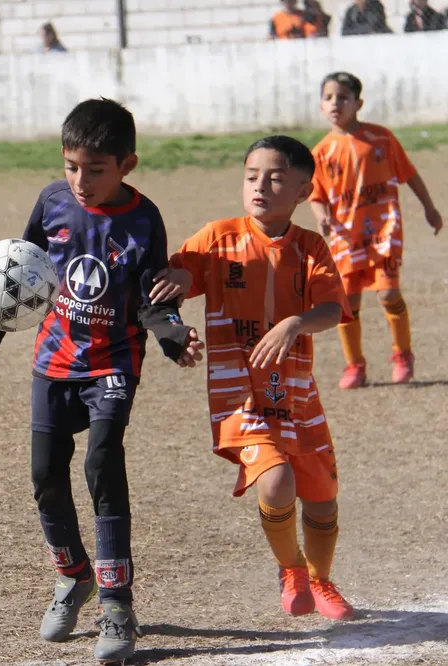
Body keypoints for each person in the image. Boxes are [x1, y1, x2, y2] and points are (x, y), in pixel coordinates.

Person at [0, 98, 204, 664]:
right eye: (72, 166)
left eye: (96, 169)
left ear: (126, 164)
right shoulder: (52, 201)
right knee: (44, 476)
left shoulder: (143, 218)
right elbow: (20, 269)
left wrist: (173, 338)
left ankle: (117, 601)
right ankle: (73, 575)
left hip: (113, 364)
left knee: (102, 462)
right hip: (54, 360)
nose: (81, 180)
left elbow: (153, 293)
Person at [152, 135, 355, 621]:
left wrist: (296, 323)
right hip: (238, 396)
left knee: (323, 499)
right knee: (277, 482)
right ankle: (291, 570)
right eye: (251, 177)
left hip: (297, 394)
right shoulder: (217, 239)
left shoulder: (310, 247)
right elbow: (168, 287)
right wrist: (177, 303)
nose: (260, 186)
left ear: (304, 192)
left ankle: (322, 580)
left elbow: (332, 307)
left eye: (276, 178)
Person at [308, 72, 443, 388]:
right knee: (348, 303)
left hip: (385, 230)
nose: (335, 104)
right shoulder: (321, 152)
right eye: (328, 98)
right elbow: (316, 194)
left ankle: (402, 354)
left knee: (388, 294)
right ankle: (355, 365)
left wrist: (430, 208)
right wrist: (321, 216)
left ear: (358, 103)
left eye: (342, 97)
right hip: (346, 234)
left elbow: (409, 174)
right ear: (320, 106)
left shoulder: (381, 139)